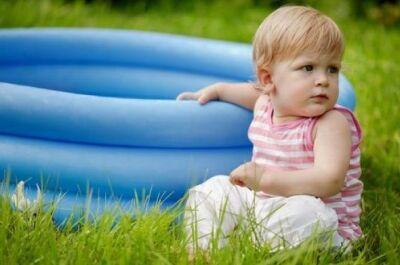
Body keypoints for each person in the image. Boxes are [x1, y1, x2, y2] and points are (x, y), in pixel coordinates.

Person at [176, 5, 363, 253]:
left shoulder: (330, 123)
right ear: (268, 79)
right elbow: (249, 93)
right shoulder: (266, 103)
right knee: (212, 190)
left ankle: (257, 250)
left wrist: (267, 180)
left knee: (303, 214)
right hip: (266, 204)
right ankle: (203, 251)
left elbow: (329, 181)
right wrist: (219, 90)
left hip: (324, 222)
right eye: (308, 68)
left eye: (332, 68)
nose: (323, 79)